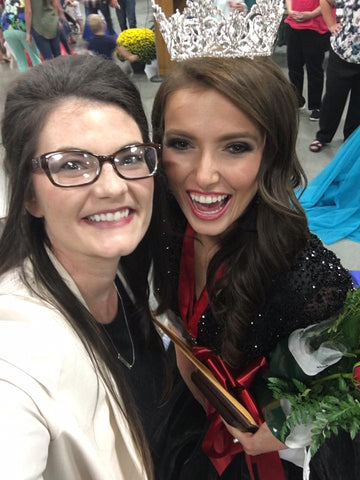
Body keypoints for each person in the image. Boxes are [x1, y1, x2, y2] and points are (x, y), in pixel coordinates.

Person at [151, 56, 353, 479]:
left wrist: (286, 427)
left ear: (271, 152)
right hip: (190, 407)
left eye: (236, 146)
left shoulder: (307, 276)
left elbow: (346, 383)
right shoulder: (166, 230)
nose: (204, 176)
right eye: (182, 143)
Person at [0, 54, 167, 479]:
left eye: (129, 157)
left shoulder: (123, 275)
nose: (113, 187)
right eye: (71, 165)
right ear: (28, 195)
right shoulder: (16, 351)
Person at [309, 0, 360, 153]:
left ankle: (350, 140)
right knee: (333, 97)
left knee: (358, 103)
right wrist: (331, 25)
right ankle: (323, 136)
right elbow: (325, 1)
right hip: (342, 52)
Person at [284, 0, 330, 120]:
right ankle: (297, 100)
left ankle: (316, 106)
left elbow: (329, 2)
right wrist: (290, 11)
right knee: (293, 66)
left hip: (315, 27)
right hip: (293, 24)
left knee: (314, 69)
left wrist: (311, 14)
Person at [0, 0, 41, 72]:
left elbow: (3, 17)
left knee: (21, 59)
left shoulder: (7, 1)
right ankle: (41, 78)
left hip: (7, 31)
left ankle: (26, 81)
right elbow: (29, 12)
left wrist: (1, 36)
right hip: (23, 29)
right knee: (34, 57)